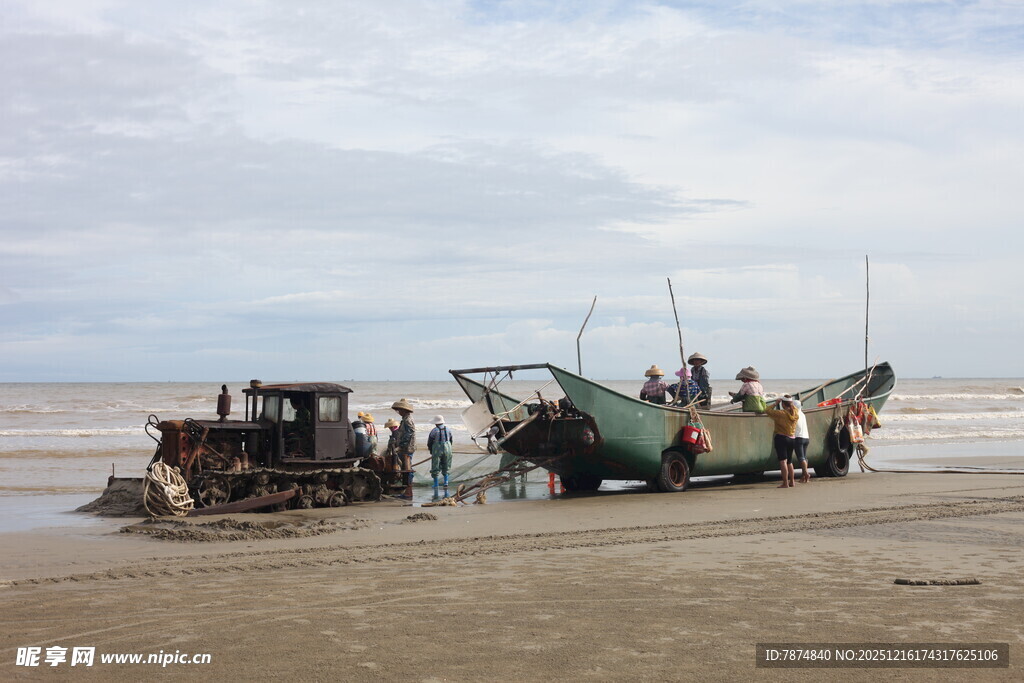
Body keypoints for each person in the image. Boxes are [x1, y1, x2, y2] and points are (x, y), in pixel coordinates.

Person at [765, 395, 799, 488]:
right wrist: (787, 401)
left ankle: (785, 483)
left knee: (783, 461)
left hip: (781, 438)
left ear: (783, 404)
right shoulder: (795, 413)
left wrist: (776, 403)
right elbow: (793, 406)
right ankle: (792, 481)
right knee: (789, 461)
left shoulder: (781, 413)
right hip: (792, 439)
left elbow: (767, 410)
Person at [391, 398, 416, 493]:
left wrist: (401, 445)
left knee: (407, 468)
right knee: (406, 467)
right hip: (407, 447)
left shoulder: (407, 420)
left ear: (404, 410)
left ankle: (408, 489)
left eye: (400, 410)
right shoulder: (405, 419)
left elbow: (410, 433)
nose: (398, 412)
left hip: (407, 448)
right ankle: (408, 488)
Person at [427, 415, 454, 488]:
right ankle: (446, 482)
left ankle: (436, 484)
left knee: (435, 465)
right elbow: (451, 440)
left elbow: (429, 442)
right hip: (448, 448)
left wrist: (431, 450)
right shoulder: (448, 429)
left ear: (436, 423)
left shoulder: (434, 430)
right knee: (447, 464)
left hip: (437, 449)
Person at [792, 399, 810, 483]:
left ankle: (806, 473)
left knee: (801, 458)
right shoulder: (803, 414)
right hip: (806, 437)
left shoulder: (795, 414)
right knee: (804, 457)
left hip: (798, 438)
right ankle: (804, 477)